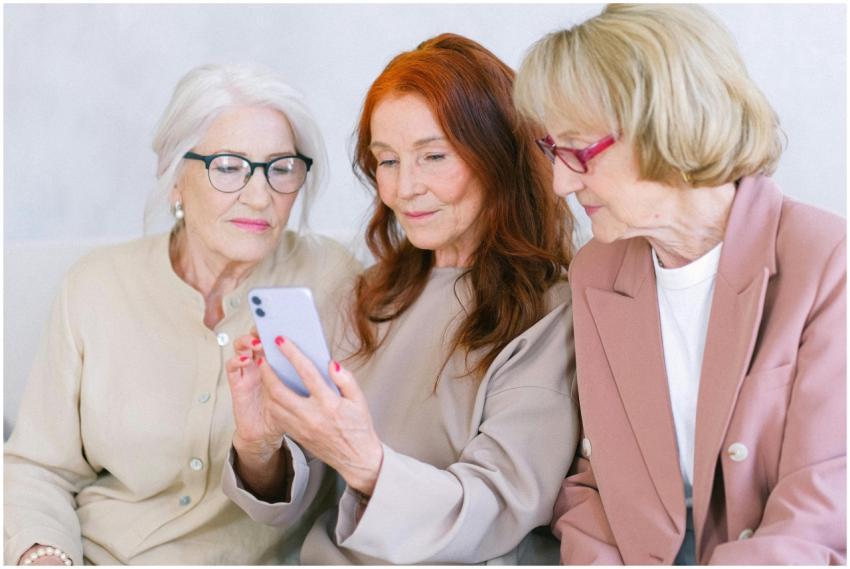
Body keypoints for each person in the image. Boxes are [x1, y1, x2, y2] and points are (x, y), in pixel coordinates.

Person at [222, 33, 580, 564]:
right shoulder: (367, 295)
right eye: (386, 161)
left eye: (432, 156)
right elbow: (292, 504)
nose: (403, 189)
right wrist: (260, 444)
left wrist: (366, 462)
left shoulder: (554, 312)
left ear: (498, 157)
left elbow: (499, 509)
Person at [513, 3, 846, 564]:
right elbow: (595, 480)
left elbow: (823, 503)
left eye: (577, 150)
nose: (559, 182)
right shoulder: (598, 268)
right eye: (551, 150)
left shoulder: (826, 258)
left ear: (669, 124)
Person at [4, 63, 360, 565]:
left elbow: (322, 481)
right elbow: (39, 466)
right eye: (229, 166)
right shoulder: (96, 286)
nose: (260, 196)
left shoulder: (331, 280)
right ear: (174, 176)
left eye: (281, 168)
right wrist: (43, 554)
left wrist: (258, 447)